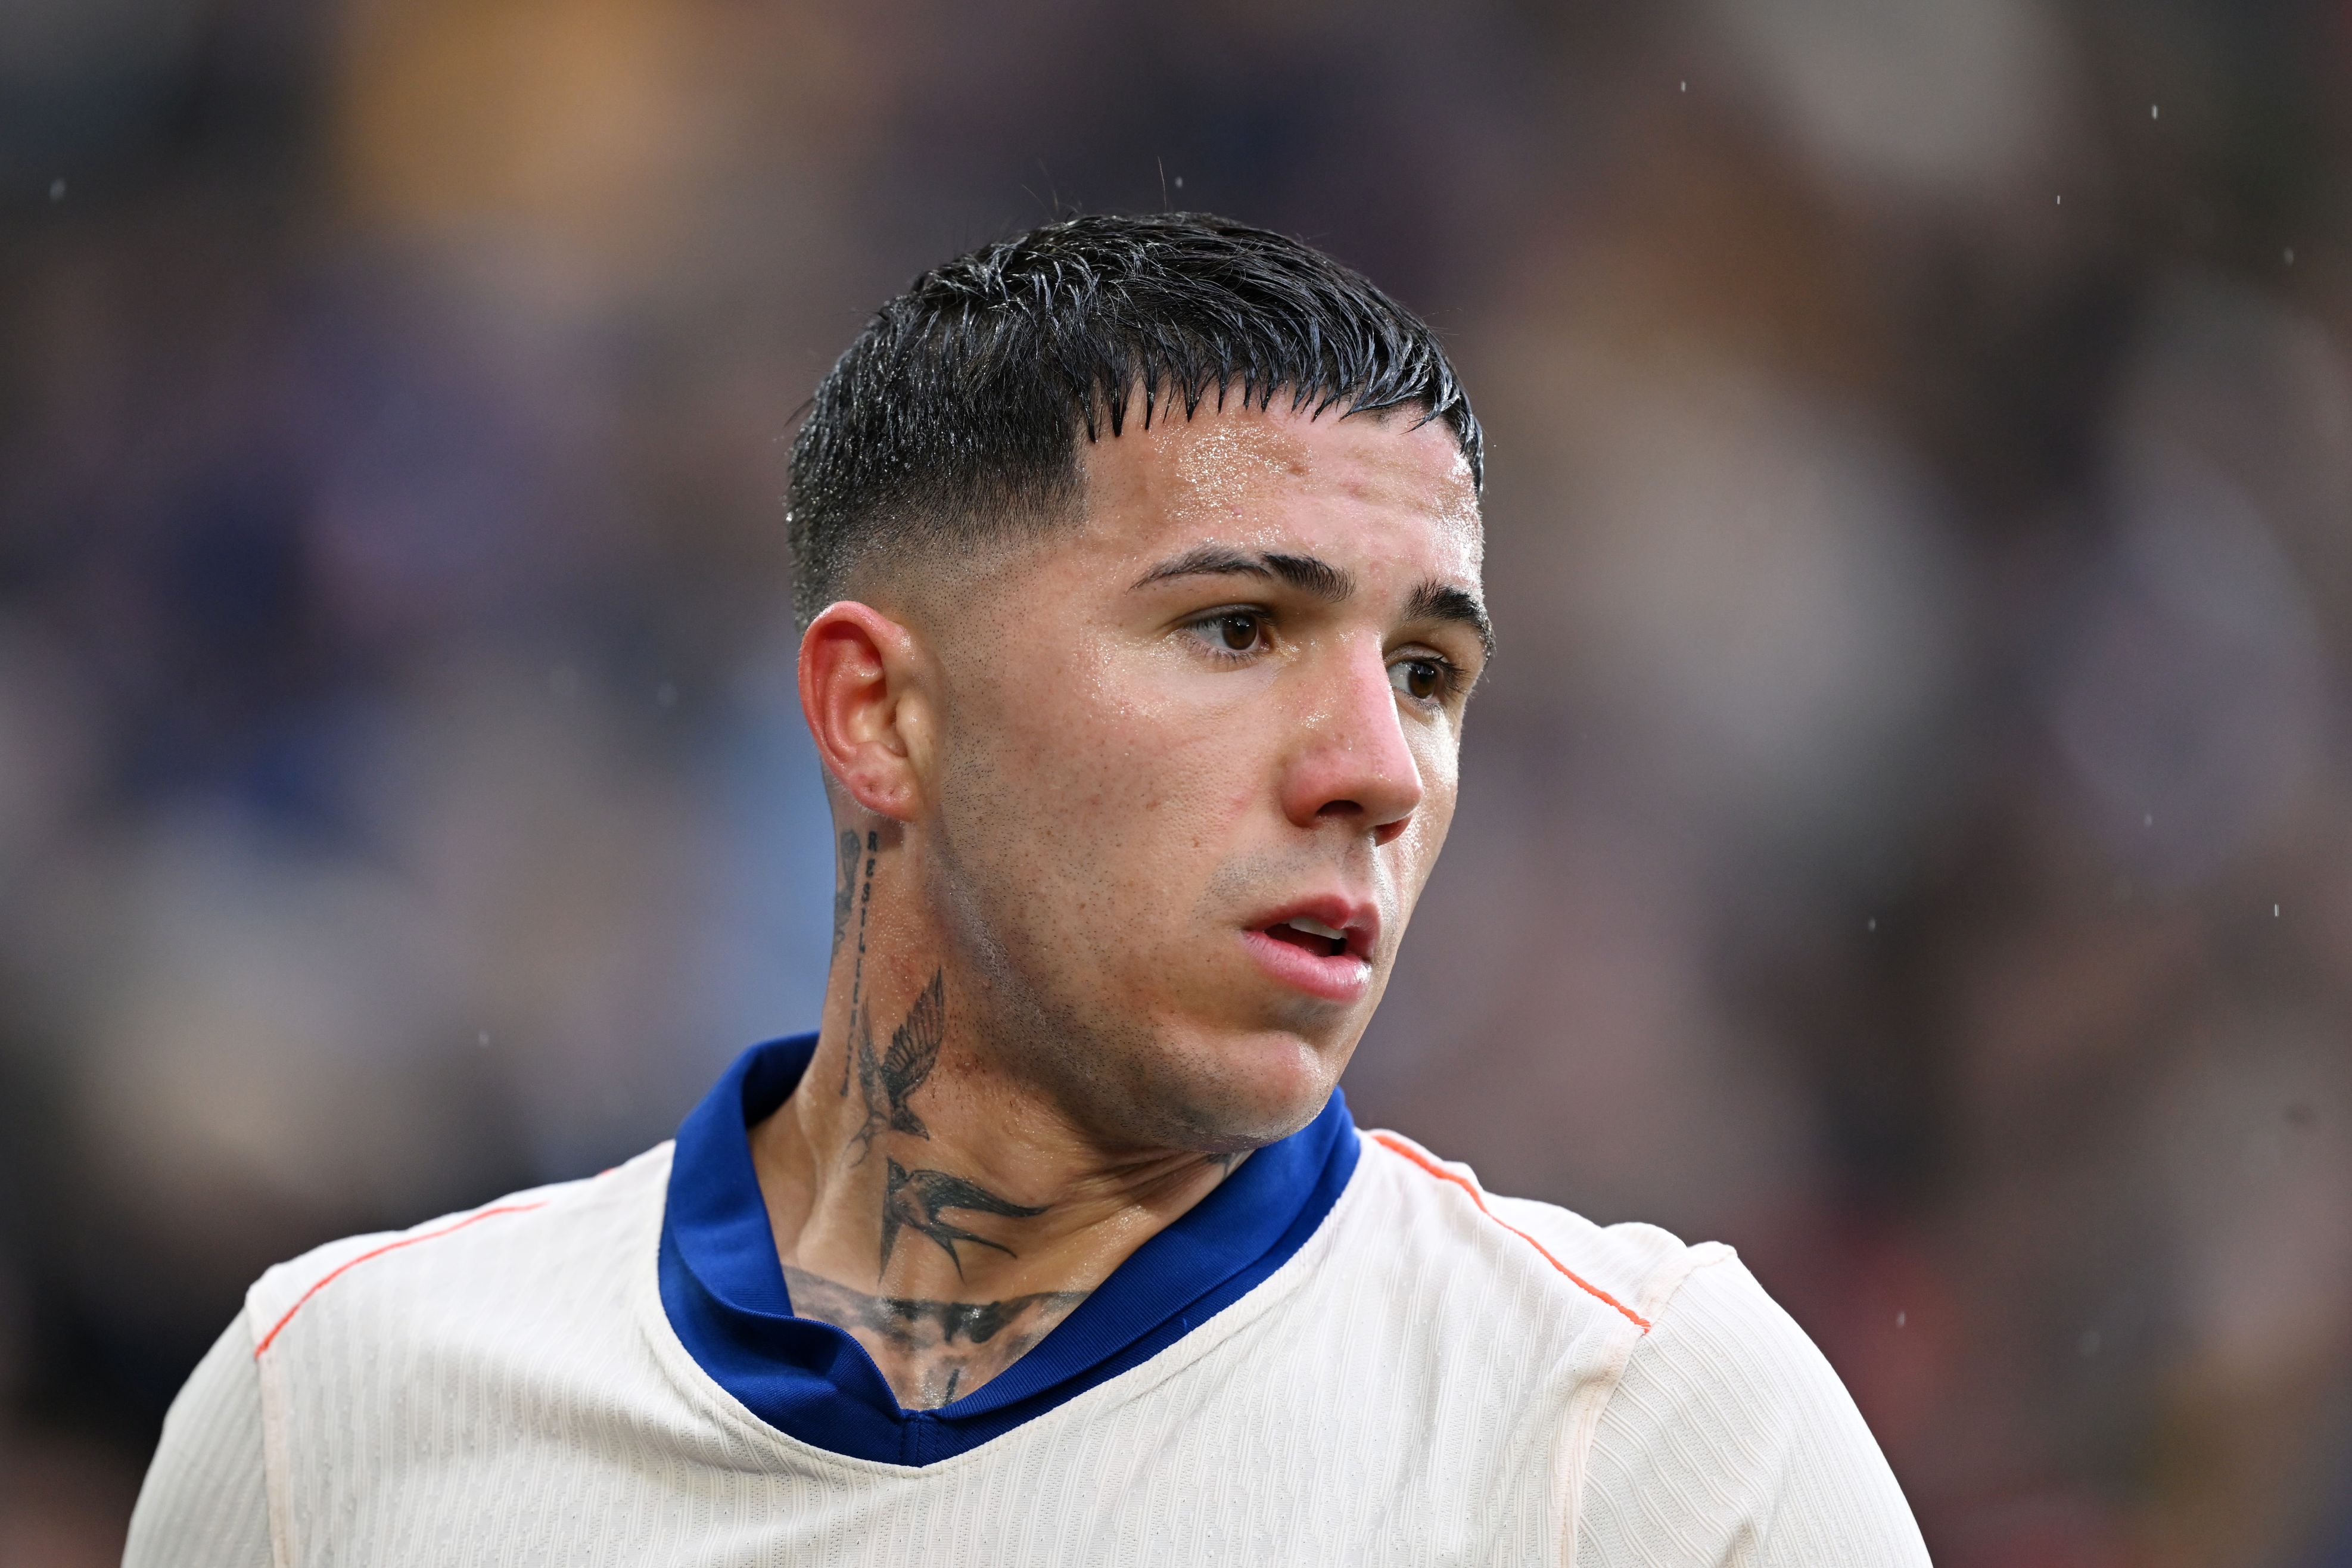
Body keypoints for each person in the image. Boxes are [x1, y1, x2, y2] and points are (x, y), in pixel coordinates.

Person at [125, 213, 1930, 1566]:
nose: (1377, 767)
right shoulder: (334, 1419)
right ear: (876, 714)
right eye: (1237, 628)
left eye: (1430, 674)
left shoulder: (1638, 1447)